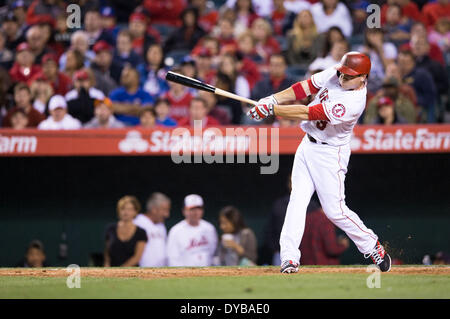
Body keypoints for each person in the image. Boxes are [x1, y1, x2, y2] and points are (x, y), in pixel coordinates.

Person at [247, 51, 392, 273]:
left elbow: (308, 112)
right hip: (307, 145)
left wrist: (272, 109)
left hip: (330, 154)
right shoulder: (336, 73)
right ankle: (289, 258)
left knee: (335, 211)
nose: (343, 78)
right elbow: (304, 88)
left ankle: (372, 245)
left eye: (349, 76)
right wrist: (274, 99)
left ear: (363, 77)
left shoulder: (353, 102)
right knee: (296, 200)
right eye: (343, 73)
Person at [167, 194, 218, 267]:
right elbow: (172, 258)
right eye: (192, 209)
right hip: (186, 274)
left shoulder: (209, 228)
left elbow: (213, 252)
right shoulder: (176, 231)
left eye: (198, 208)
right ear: (184, 211)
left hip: (208, 273)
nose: (196, 212)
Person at [300, 200, 349, 265]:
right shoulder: (326, 220)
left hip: (304, 265)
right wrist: (343, 245)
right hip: (323, 266)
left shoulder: (305, 218)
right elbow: (332, 249)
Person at [104, 196, 148, 267]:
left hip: (132, 274)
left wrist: (121, 271)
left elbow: (137, 257)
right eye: (123, 209)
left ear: (135, 212)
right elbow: (107, 253)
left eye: (130, 209)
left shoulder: (141, 232)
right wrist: (107, 269)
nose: (126, 212)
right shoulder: (111, 229)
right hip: (112, 273)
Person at [397, 49, 437, 123]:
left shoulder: (422, 75)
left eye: (406, 62)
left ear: (413, 62)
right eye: (401, 62)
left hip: (418, 107)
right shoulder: (396, 75)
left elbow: (430, 95)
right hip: (399, 108)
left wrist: (417, 103)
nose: (403, 65)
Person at [134, 192, 171, 267]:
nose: (167, 214)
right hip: (142, 273)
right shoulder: (138, 222)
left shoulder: (161, 225)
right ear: (154, 209)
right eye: (164, 210)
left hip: (161, 273)